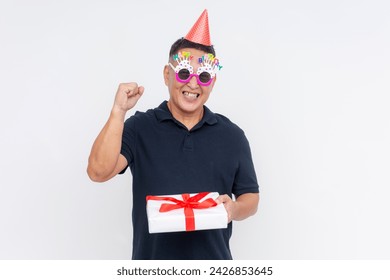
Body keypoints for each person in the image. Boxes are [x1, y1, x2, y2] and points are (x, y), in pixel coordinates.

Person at [87, 9, 259, 259]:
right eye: (184, 73)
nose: (192, 84)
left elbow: (251, 197)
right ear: (167, 74)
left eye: (203, 76)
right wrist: (118, 111)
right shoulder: (140, 127)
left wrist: (233, 209)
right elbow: (98, 172)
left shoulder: (232, 135)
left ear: (212, 82)